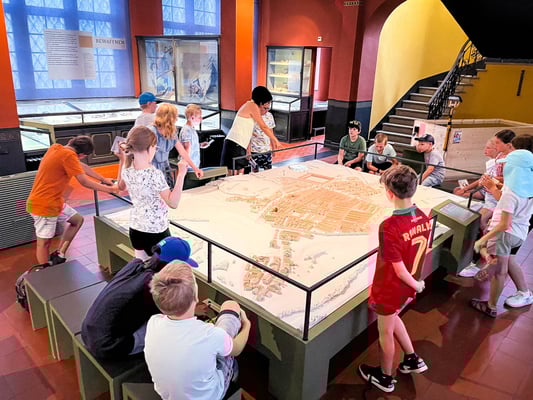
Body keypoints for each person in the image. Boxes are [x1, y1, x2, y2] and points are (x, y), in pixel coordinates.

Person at [358, 165, 430, 393]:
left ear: (389, 193)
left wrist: (417, 285)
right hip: (407, 285)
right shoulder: (422, 216)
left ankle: (385, 377)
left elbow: (398, 270)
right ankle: (412, 358)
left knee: (385, 333)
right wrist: (415, 283)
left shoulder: (389, 226)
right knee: (393, 318)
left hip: (391, 287)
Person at [145, 262, 251, 400]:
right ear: (196, 296)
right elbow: (236, 349)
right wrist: (247, 325)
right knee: (230, 305)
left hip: (168, 395)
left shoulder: (154, 322)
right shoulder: (210, 335)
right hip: (209, 396)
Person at [81, 237, 199, 359]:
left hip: (88, 332)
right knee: (169, 329)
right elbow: (171, 316)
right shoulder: (153, 285)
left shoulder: (135, 265)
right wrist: (193, 308)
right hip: (108, 345)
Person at [26, 136, 118, 266]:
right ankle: (45, 271)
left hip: (55, 202)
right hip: (44, 205)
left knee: (77, 220)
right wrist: (110, 189)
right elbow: (84, 182)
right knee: (44, 243)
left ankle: (59, 253)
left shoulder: (56, 148)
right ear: (82, 155)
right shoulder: (68, 156)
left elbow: (81, 166)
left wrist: (103, 179)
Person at [470, 149, 533, 316]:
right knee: (506, 262)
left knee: (500, 271)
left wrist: (483, 238)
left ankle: (490, 306)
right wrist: (495, 186)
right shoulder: (528, 188)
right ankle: (489, 265)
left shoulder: (510, 194)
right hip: (520, 233)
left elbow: (505, 224)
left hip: (505, 234)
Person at [117, 126, 188, 260]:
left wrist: (122, 160)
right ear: (150, 148)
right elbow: (173, 203)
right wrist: (181, 174)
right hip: (156, 230)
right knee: (163, 268)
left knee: (142, 266)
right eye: (155, 148)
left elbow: (121, 187)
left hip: (135, 228)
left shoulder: (128, 168)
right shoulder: (154, 174)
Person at [220, 86, 280, 176]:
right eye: (266, 104)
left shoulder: (250, 106)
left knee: (239, 175)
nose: (266, 107)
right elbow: (263, 126)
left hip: (239, 144)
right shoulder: (252, 106)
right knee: (233, 176)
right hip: (235, 143)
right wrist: (275, 140)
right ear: (261, 102)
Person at [149, 103, 203, 188]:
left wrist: (195, 168)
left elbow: (182, 151)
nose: (177, 119)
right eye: (175, 117)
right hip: (152, 168)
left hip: (165, 167)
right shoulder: (151, 131)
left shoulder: (171, 131)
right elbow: (147, 157)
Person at [250, 101, 276, 172]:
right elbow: (248, 134)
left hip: (266, 149)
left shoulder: (269, 115)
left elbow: (271, 133)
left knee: (268, 171)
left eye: (268, 108)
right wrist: (248, 151)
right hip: (254, 150)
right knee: (255, 171)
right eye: (265, 108)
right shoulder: (252, 116)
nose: (266, 110)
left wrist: (273, 148)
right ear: (260, 105)